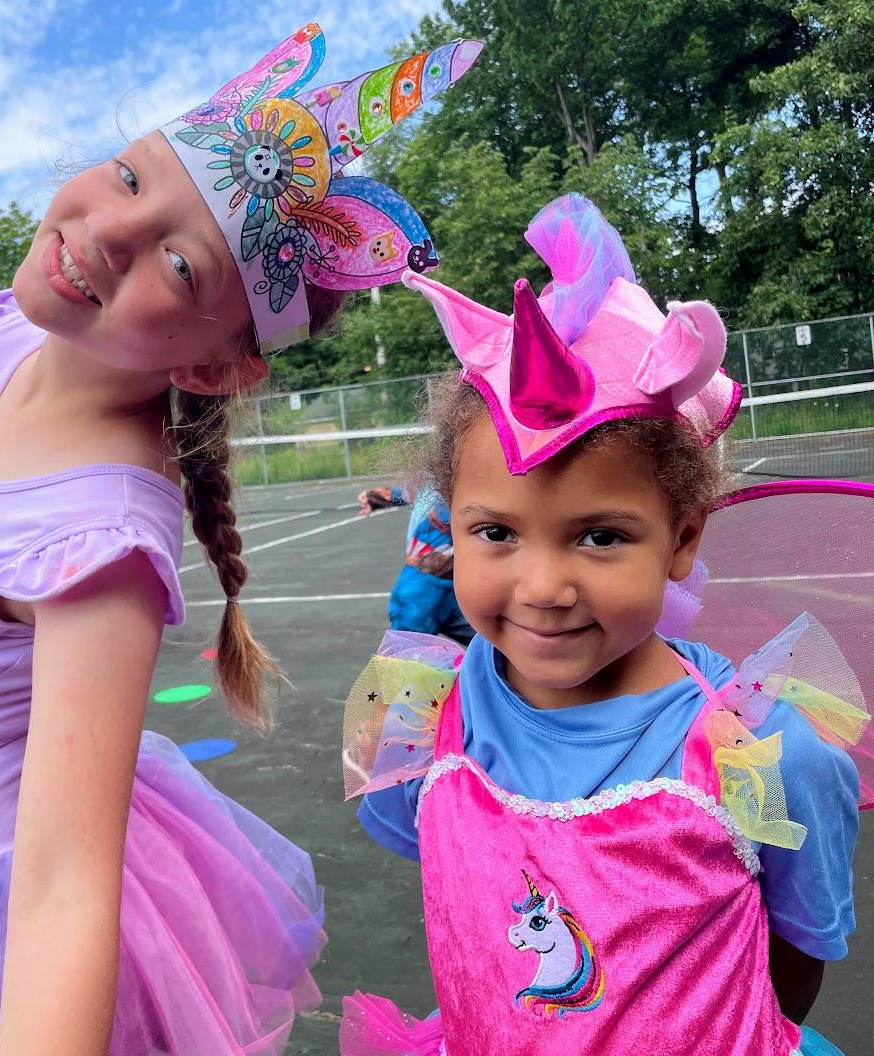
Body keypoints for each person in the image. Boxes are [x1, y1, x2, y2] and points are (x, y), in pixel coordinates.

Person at [0, 24, 482, 1056]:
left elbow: (61, 892)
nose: (110, 231)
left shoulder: (95, 540)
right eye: (132, 175)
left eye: (177, 260)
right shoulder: (4, 344)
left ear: (215, 367)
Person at [338, 195, 868, 1056]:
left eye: (600, 536)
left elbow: (794, 966)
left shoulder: (764, 754)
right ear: (450, 523)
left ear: (682, 538)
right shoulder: (420, 718)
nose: (544, 587)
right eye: (495, 532)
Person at [358, 484, 473, 644]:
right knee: (406, 652)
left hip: (435, 580)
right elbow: (412, 490)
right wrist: (380, 497)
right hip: (426, 582)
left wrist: (382, 497)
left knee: (494, 640)